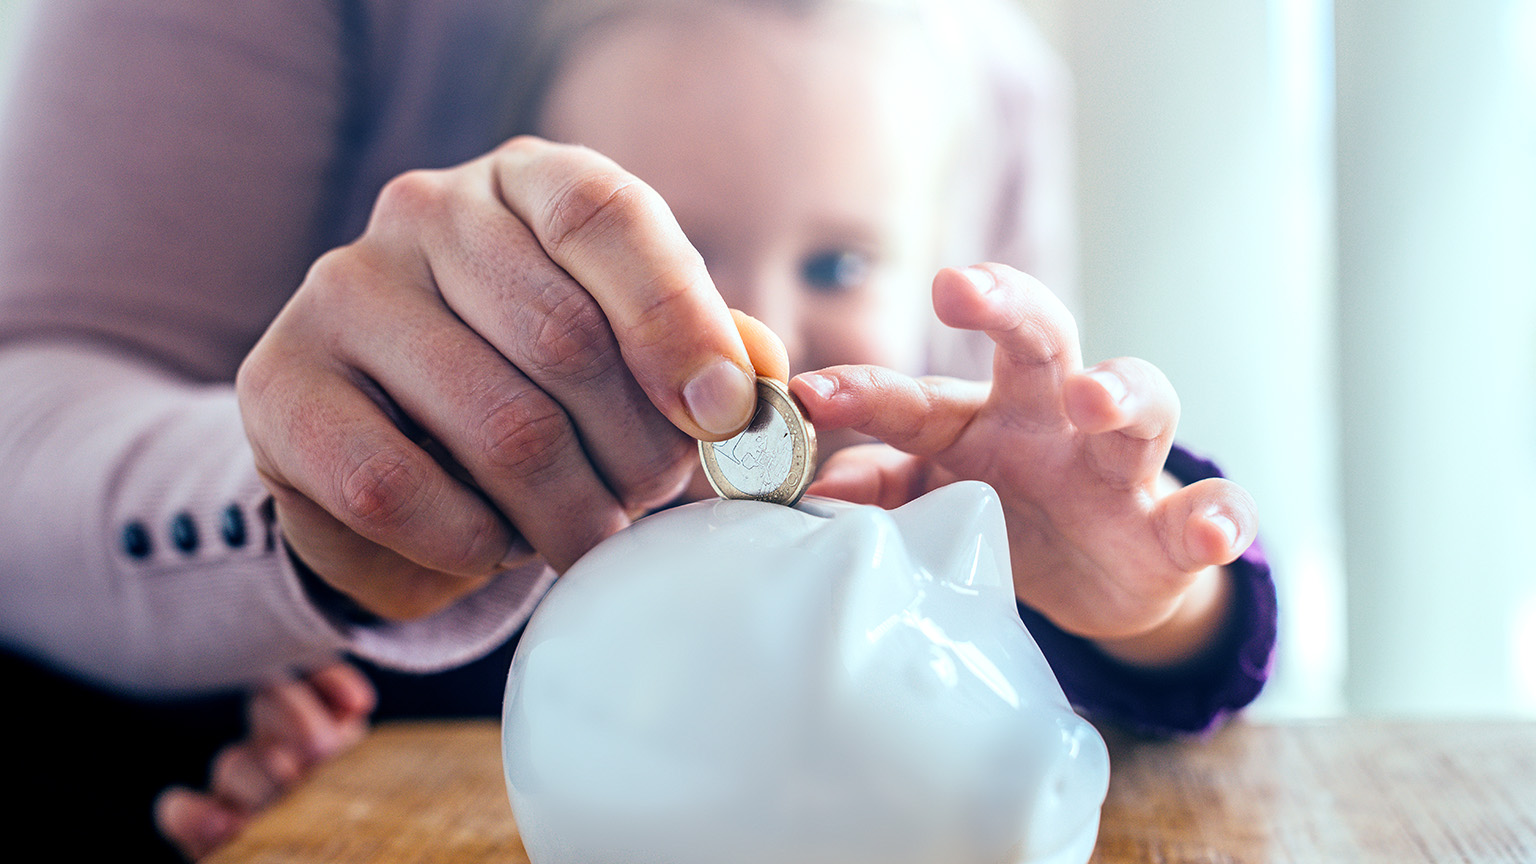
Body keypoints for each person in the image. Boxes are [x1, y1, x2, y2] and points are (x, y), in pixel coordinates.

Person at [0, 0, 1273, 860]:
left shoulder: (910, 495)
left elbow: (1104, 629)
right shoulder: (473, 553)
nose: (759, 322)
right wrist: (319, 761)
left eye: (840, 260)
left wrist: (1146, 600)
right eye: (686, 247)